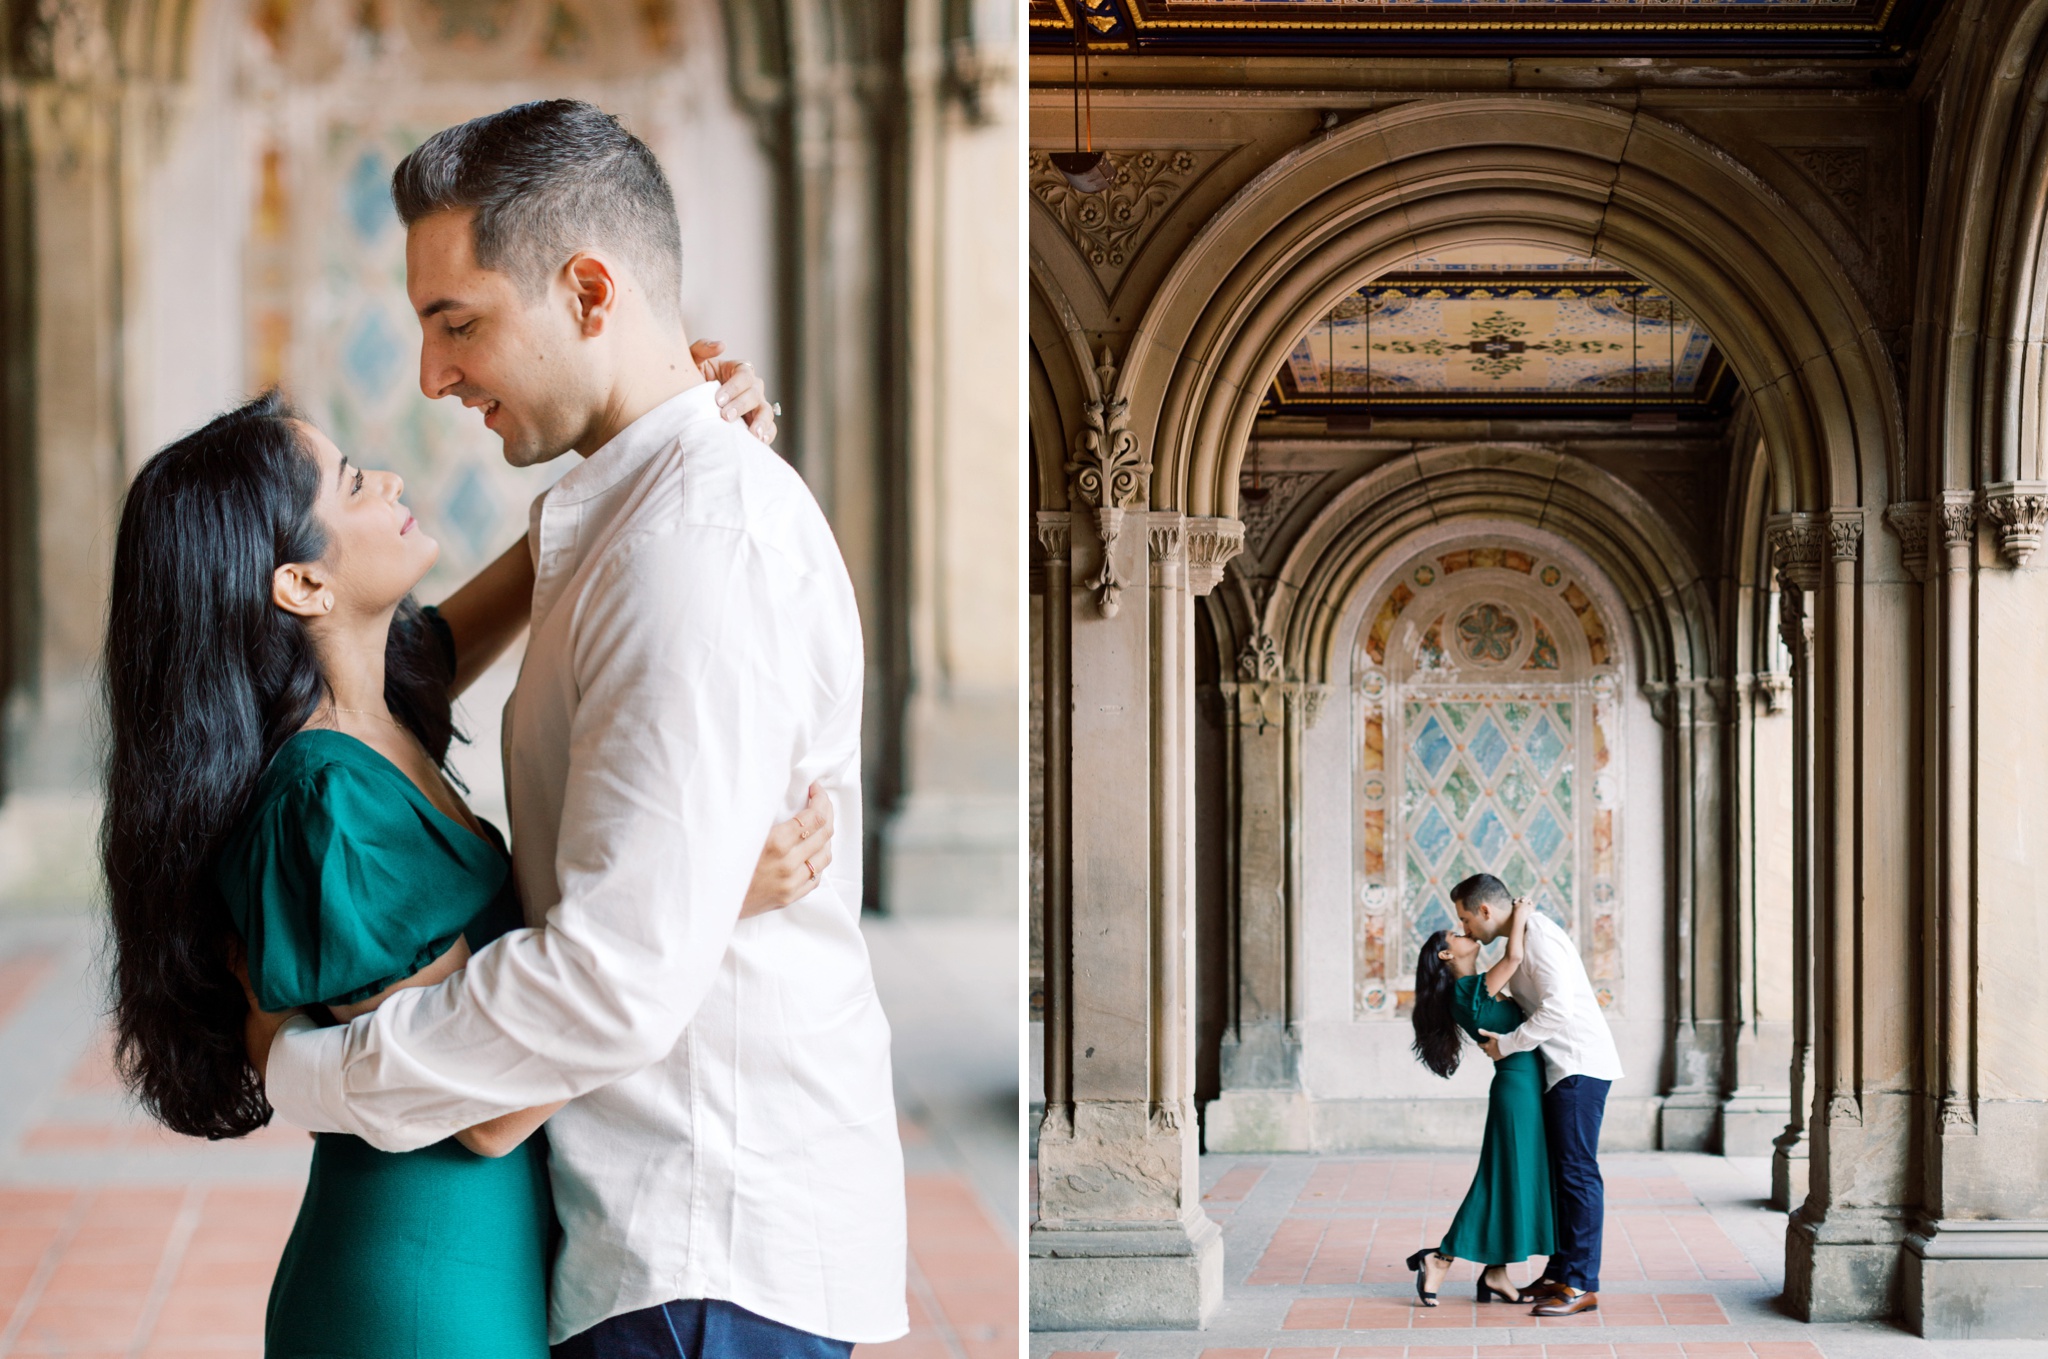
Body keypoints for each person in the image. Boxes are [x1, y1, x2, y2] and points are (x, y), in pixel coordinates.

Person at [244, 99, 909, 1357]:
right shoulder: (635, 517)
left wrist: (310, 1076)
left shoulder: (692, 544)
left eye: (459, 323)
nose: (434, 376)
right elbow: (442, 642)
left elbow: (606, 984)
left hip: (700, 1252)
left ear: (591, 293)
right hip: (634, 1235)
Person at [100, 390, 829, 1358]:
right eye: (353, 484)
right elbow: (483, 1109)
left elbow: (544, 559)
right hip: (416, 1289)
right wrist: (711, 896)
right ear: (302, 586)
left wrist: (679, 415)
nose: (389, 479)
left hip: (481, 1261)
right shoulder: (323, 806)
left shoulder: (385, 699)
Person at [1457, 871, 1624, 1317]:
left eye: (1466, 920)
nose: (1466, 930)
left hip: (1579, 1066)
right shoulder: (1523, 932)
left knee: (1577, 1174)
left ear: (1485, 911)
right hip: (1559, 1068)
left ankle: (1581, 1284)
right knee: (1561, 1175)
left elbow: (1558, 1008)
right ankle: (1560, 1272)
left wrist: (1506, 1046)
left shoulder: (1539, 937)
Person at [1403, 895, 1551, 1306]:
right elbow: (1516, 954)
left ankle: (1496, 1275)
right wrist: (1520, 912)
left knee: (1511, 1179)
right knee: (1499, 1178)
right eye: (1458, 932)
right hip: (1517, 1090)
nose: (1466, 931)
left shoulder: (1475, 986)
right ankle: (1440, 1257)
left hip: (1522, 1087)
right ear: (1448, 953)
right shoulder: (1468, 990)